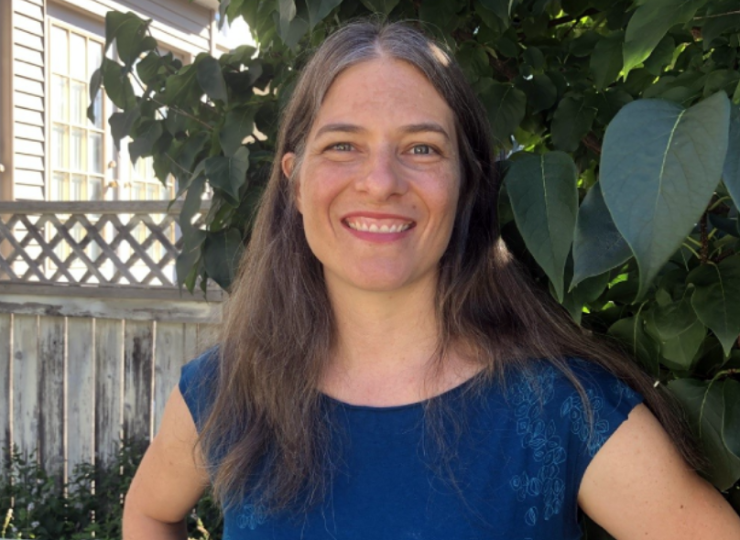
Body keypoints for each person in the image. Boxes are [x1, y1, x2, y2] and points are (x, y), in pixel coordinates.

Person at [122, 20, 740, 540]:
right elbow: (150, 511)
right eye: (342, 146)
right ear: (294, 180)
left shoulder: (557, 408)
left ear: (468, 183)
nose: (381, 181)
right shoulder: (230, 387)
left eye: (421, 149)